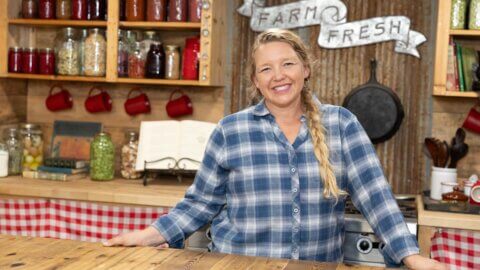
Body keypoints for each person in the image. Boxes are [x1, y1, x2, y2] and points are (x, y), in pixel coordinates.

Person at [105, 29, 446, 269]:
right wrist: (150, 235)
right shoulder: (231, 131)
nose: (278, 76)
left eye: (287, 64)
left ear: (305, 69)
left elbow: (376, 198)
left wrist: (410, 255)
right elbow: (199, 204)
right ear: (255, 80)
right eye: (266, 68)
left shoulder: (341, 125)